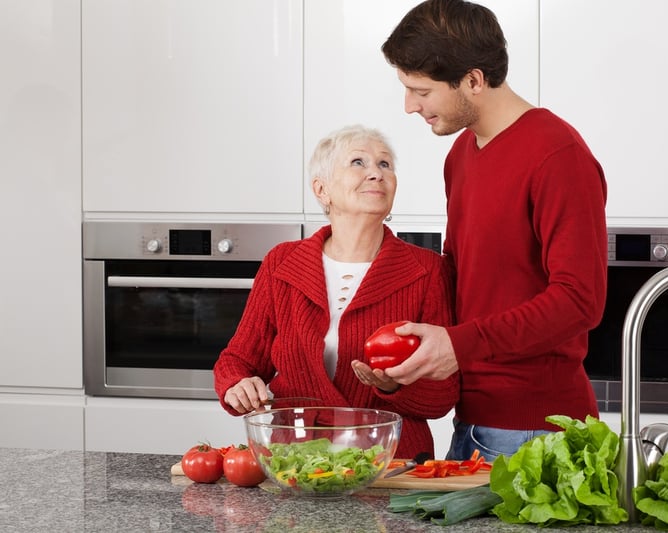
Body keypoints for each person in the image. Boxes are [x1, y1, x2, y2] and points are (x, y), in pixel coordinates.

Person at [380, 0, 608, 462]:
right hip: (472, 424)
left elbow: (580, 299)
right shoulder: (460, 155)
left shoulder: (557, 156)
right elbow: (465, 283)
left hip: (538, 435)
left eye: (420, 90)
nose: (409, 106)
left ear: (474, 81)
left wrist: (459, 345)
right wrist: (409, 358)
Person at [213, 125, 459, 459]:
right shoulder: (281, 263)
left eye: (385, 164)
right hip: (297, 463)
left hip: (392, 466)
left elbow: (442, 394)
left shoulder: (428, 271)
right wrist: (236, 384)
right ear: (322, 189)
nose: (376, 173)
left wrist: (392, 386)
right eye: (358, 162)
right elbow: (238, 360)